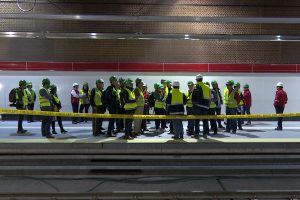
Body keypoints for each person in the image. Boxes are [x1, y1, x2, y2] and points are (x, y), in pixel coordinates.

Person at [192, 74, 210, 139]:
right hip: (206, 106)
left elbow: (193, 97)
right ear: (202, 79)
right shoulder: (207, 87)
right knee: (205, 120)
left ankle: (196, 134)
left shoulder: (195, 86)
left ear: (196, 80)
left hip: (198, 106)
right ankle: (205, 134)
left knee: (197, 120)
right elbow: (210, 97)